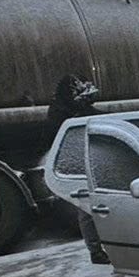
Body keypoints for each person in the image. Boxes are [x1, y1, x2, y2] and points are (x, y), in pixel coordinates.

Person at [47, 74, 110, 265]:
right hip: (79, 163)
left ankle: (100, 248)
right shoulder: (61, 113)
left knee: (93, 208)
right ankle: (96, 250)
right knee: (87, 208)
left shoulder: (64, 110)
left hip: (89, 161)